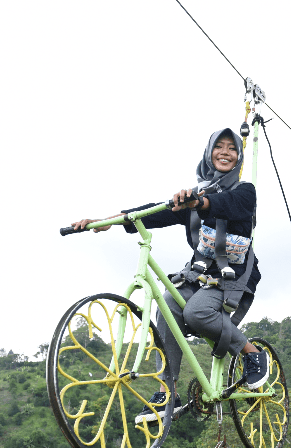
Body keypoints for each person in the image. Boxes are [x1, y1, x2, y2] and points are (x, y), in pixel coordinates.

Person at [71, 128, 269, 424]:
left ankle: (252, 353)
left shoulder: (244, 192)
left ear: (238, 158)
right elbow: (155, 212)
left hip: (234, 281)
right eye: (219, 147)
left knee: (197, 312)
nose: (225, 152)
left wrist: (198, 203)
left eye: (232, 149)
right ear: (209, 154)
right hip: (200, 278)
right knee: (168, 302)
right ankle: (168, 391)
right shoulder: (194, 195)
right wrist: (108, 221)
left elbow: (224, 205)